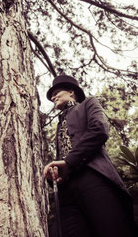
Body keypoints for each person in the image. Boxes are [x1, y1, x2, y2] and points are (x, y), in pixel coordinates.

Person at [43, 75, 137, 237]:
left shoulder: (88, 104)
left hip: (93, 178)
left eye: (57, 92)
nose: (53, 97)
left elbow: (99, 130)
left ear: (71, 92)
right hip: (67, 191)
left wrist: (69, 161)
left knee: (111, 229)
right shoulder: (59, 123)